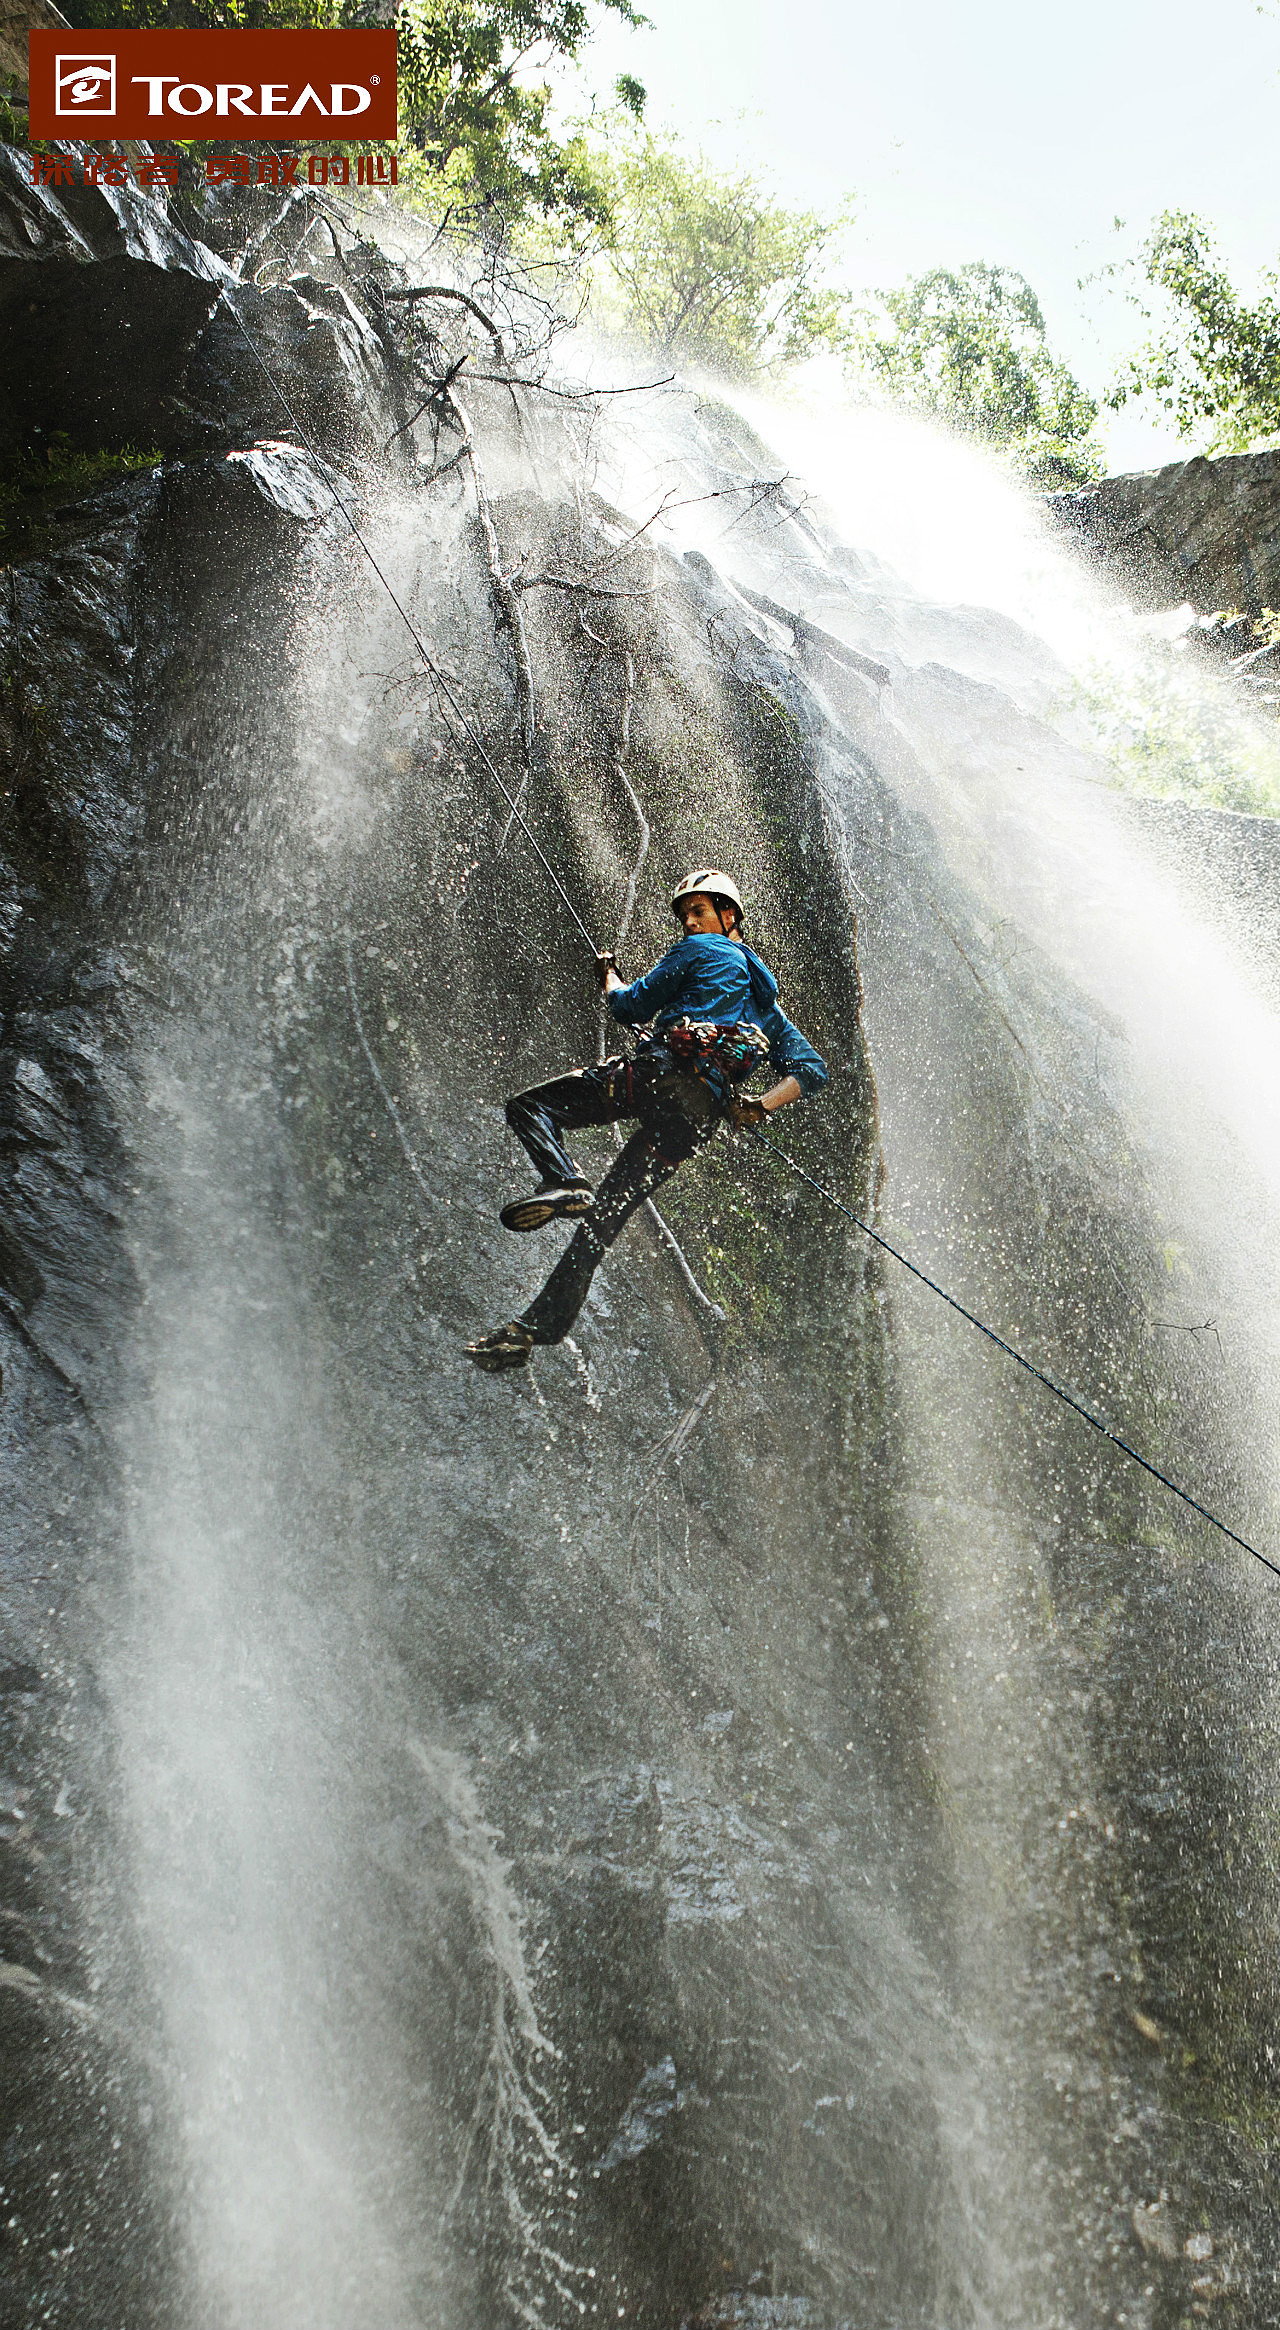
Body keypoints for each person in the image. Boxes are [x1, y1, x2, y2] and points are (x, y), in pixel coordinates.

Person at [464, 869, 828, 1372]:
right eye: (685, 915)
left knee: (531, 1108)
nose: (689, 922)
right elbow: (812, 1070)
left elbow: (628, 1004)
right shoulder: (771, 1013)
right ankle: (529, 1332)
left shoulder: (702, 951)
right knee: (600, 1224)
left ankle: (563, 1179)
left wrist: (609, 975)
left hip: (658, 1079)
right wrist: (759, 1106)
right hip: (691, 1126)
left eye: (699, 911)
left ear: (729, 916)